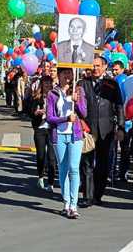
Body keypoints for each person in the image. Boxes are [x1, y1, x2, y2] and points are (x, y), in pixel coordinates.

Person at [80, 56, 125, 207]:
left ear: (105, 67)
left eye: (98, 66)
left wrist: (121, 127)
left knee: (102, 164)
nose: (95, 69)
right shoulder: (82, 84)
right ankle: (87, 195)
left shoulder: (111, 84)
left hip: (106, 129)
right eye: (93, 66)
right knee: (86, 163)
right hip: (88, 128)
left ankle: (97, 194)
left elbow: (119, 106)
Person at [46, 68, 87, 219]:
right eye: (65, 73)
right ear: (60, 75)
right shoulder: (52, 94)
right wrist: (65, 119)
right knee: (63, 168)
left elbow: (84, 113)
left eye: (70, 73)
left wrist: (77, 103)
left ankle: (74, 204)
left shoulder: (78, 91)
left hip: (75, 135)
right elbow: (50, 118)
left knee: (74, 168)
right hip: (60, 135)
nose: (68, 76)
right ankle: (66, 202)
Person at [30, 75, 56, 192]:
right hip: (40, 129)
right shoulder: (36, 98)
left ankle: (51, 183)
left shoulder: (55, 97)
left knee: (52, 157)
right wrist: (36, 112)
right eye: (46, 85)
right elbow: (30, 112)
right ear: (42, 86)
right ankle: (40, 177)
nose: (48, 87)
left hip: (51, 129)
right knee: (41, 156)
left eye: (50, 84)